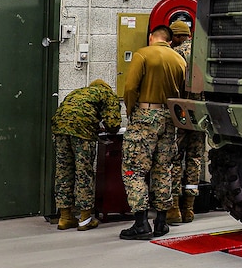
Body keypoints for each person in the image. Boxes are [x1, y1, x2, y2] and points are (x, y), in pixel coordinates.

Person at [119, 24, 186, 241]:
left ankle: (141, 223)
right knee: (163, 168)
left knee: (134, 169)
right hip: (169, 119)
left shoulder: (143, 54)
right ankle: (161, 222)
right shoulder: (179, 60)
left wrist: (132, 112)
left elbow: (130, 88)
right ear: (168, 40)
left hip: (145, 116)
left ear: (151, 37)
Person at [51, 79, 122, 232]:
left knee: (64, 172)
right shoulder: (107, 94)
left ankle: (65, 217)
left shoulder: (78, 92)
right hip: (82, 132)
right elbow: (113, 124)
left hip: (60, 128)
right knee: (84, 173)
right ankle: (85, 219)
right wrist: (106, 128)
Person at [166, 19, 205, 225]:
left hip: (181, 114)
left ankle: (174, 209)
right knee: (195, 159)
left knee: (174, 158)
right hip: (201, 114)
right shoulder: (203, 51)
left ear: (177, 36)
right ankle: (189, 209)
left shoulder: (176, 54)